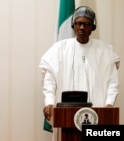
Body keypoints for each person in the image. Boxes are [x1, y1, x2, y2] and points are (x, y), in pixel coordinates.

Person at [39, 6, 120, 141]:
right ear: (73, 25)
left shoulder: (105, 50)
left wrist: (109, 103)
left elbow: (112, 81)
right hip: (65, 114)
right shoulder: (59, 49)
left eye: (87, 24)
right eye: (79, 23)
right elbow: (49, 80)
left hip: (97, 113)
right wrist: (49, 102)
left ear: (93, 27)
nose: (82, 27)